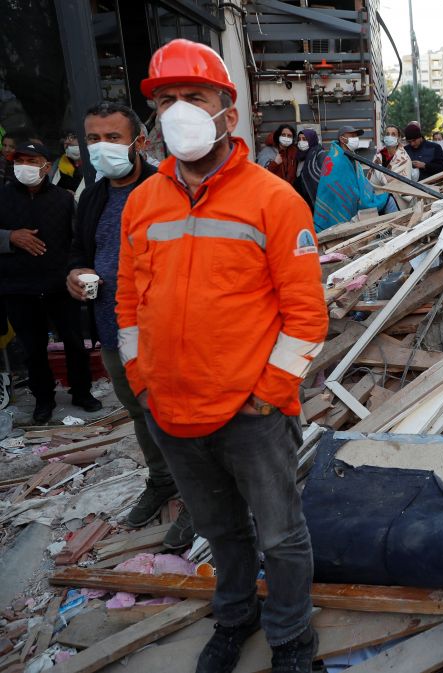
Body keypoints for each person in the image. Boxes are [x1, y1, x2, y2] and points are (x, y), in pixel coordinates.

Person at [118, 39, 327, 672]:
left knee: (282, 537)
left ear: (227, 115)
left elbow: (308, 316)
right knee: (223, 532)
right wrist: (142, 382)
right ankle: (235, 618)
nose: (180, 110)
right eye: (167, 100)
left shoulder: (273, 199)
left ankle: (291, 638)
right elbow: (128, 305)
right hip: (172, 412)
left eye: (195, 98)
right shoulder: (142, 202)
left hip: (252, 415)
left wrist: (268, 394)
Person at [66, 101, 194, 552]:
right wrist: (75, 272)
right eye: (94, 138)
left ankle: (199, 500)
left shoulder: (168, 189)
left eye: (113, 138)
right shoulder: (94, 194)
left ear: (139, 142)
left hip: (163, 329)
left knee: (180, 414)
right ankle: (162, 481)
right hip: (111, 327)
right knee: (140, 413)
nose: (102, 148)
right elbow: (79, 248)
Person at [0, 141, 101, 423]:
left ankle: (82, 392)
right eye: (19, 160)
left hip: (58, 284)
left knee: (74, 342)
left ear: (46, 166)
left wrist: (77, 270)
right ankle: (43, 399)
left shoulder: (64, 199)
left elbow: (77, 239)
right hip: (17, 286)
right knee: (32, 349)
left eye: (32, 162)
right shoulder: (2, 196)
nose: (25, 167)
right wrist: (10, 237)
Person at [312, 126, 389, 232]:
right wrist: (364, 198)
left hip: (342, 203)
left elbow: (357, 183)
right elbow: (345, 192)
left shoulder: (349, 156)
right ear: (342, 139)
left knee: (386, 197)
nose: (355, 138)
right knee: (386, 199)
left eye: (356, 136)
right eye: (352, 135)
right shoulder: (337, 160)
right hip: (334, 206)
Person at [295, 129, 324, 209]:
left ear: (312, 140)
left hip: (316, 197)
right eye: (299, 139)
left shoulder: (319, 154)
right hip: (302, 198)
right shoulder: (299, 156)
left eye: (304, 139)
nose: (301, 142)